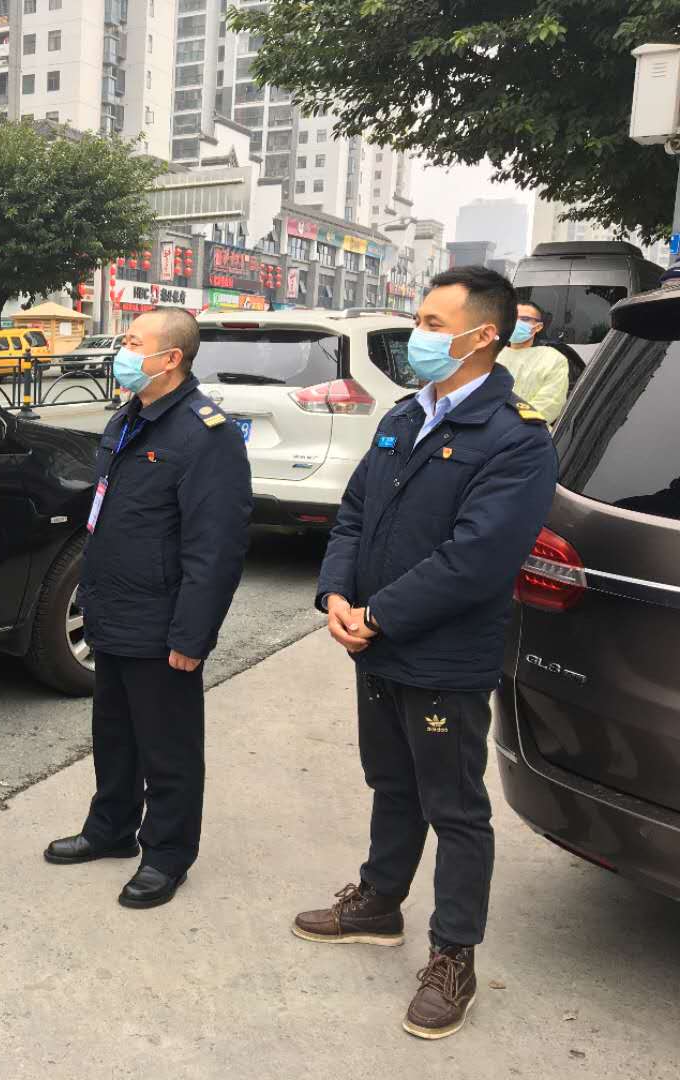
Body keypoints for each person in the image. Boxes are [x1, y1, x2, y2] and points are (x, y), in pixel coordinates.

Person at [296, 266, 556, 1040]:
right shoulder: (405, 415)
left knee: (455, 807)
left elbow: (476, 560)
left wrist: (378, 615)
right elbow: (353, 514)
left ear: (483, 336)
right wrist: (336, 596)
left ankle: (454, 955)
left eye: (434, 324)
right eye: (419, 320)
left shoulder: (516, 438)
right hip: (375, 646)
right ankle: (379, 903)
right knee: (391, 783)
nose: (419, 335)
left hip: (443, 658)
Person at [44, 306, 251, 909]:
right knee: (114, 733)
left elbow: (216, 548)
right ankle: (110, 828)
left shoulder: (204, 435)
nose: (122, 352)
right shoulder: (130, 416)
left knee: (168, 746)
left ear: (170, 359)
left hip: (162, 621)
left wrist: (192, 636)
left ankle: (166, 854)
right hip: (111, 608)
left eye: (134, 343)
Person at [501, 301, 570, 423]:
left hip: (527, 430)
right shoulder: (491, 354)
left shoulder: (552, 359)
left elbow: (550, 403)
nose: (516, 323)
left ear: (538, 327)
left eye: (525, 319)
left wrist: (508, 422)